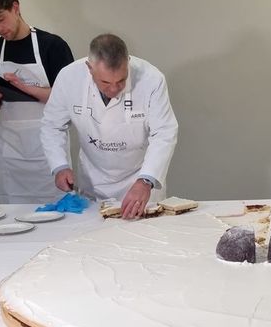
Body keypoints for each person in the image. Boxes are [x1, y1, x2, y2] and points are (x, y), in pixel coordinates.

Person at [41, 33, 178, 219]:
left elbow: (164, 133)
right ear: (89, 68)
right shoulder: (69, 78)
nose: (114, 89)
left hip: (139, 181)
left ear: (128, 63)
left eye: (121, 80)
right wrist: (59, 165)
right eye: (105, 82)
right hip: (93, 182)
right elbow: (52, 125)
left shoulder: (152, 79)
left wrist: (146, 180)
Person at [0, 0, 74, 204]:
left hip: (47, 149)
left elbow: (68, 99)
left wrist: (24, 87)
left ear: (16, 7)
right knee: (12, 213)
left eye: (1, 19)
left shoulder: (52, 46)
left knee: (56, 212)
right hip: (11, 150)